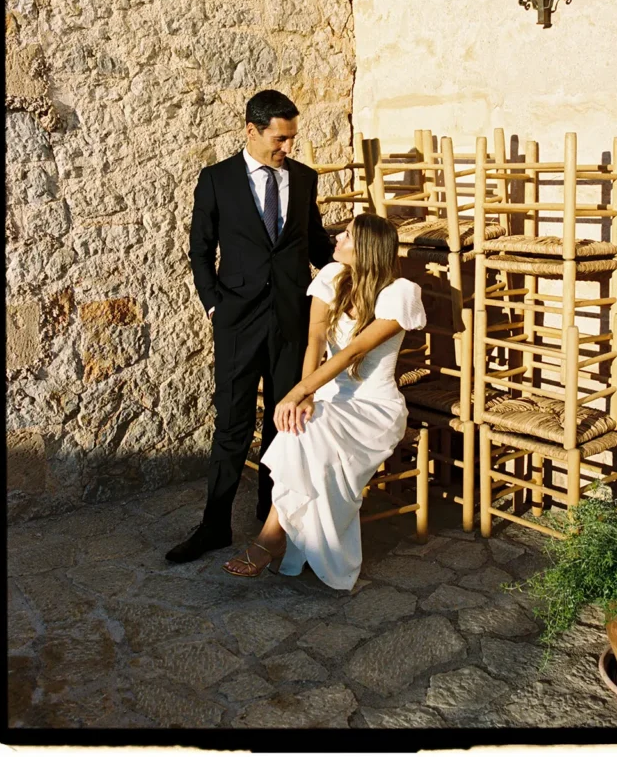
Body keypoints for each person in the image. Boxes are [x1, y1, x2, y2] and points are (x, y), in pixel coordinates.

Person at [166, 90, 334, 563]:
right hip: (237, 323)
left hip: (291, 322)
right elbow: (200, 250)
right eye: (279, 139)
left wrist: (359, 265)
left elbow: (315, 244)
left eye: (291, 138)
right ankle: (214, 526)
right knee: (232, 427)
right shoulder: (216, 179)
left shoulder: (303, 179)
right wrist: (214, 306)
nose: (287, 147)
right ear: (251, 131)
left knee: (286, 424)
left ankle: (271, 521)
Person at [222, 213, 427, 591]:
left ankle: (270, 538)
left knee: (304, 429)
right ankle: (276, 535)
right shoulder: (332, 276)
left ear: (366, 248)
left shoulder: (400, 292)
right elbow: (315, 340)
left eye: (346, 235)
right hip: (329, 397)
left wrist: (297, 393)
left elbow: (352, 352)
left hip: (373, 408)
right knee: (303, 426)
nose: (337, 238)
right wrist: (308, 394)